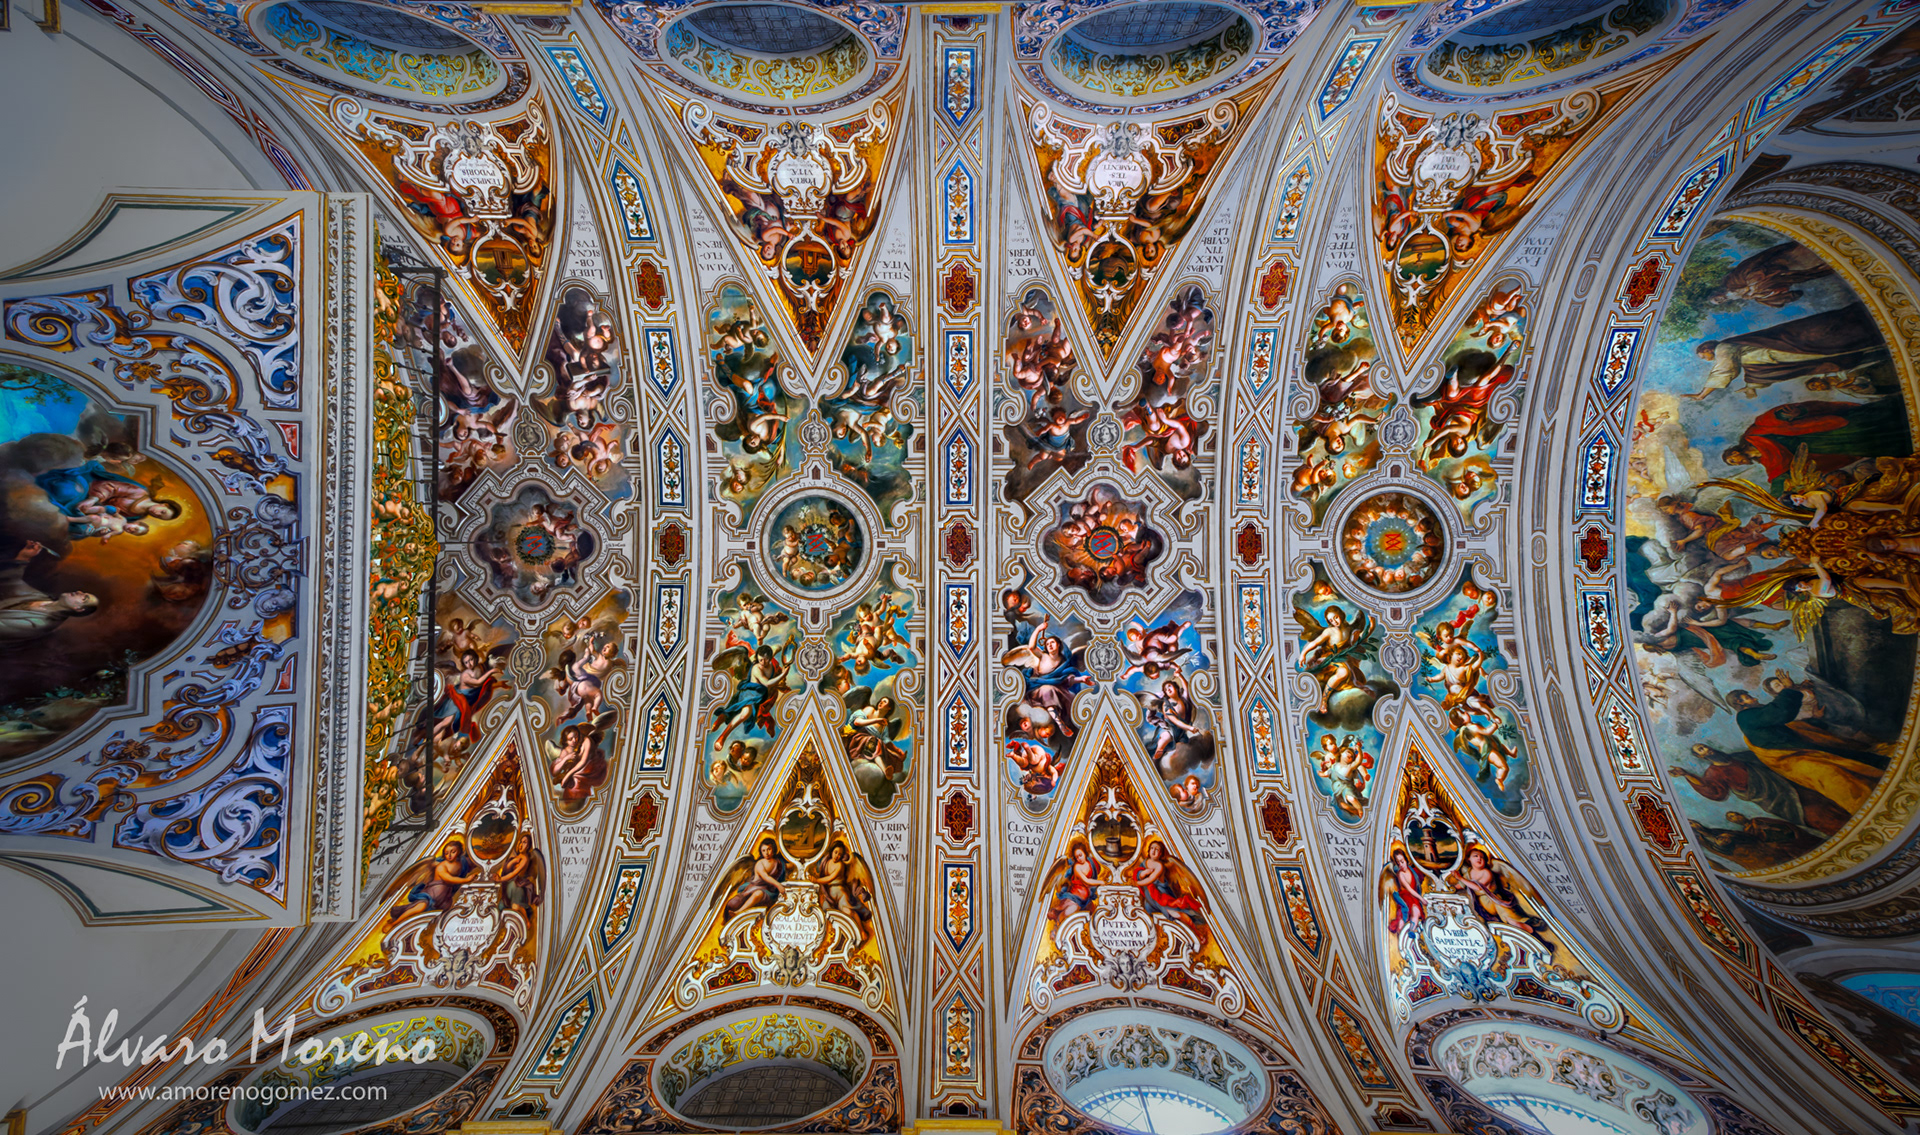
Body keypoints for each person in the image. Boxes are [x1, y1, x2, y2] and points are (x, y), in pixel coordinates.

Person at [1686, 302, 1890, 399]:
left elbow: (1725, 369)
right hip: (1784, 353)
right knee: (1834, 348)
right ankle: (1877, 338)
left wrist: (1702, 394)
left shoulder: (1724, 347)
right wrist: (1751, 386)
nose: (1706, 360)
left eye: (1704, 356)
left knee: (1833, 337)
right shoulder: (1737, 354)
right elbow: (1751, 369)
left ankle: (1877, 326)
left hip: (1786, 347)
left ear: (1709, 348)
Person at [0, 541, 98, 648]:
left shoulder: (40, 624)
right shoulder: (42, 598)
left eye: (84, 598)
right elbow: (13, 583)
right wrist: (24, 557)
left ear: (78, 608)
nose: (79, 592)